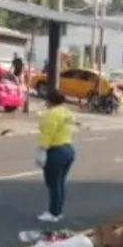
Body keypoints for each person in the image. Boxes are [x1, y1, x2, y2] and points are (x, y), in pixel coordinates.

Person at [37, 89, 76, 222]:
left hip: (56, 150)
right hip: (68, 148)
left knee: (53, 184)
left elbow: (47, 134)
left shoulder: (51, 114)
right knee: (60, 183)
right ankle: (58, 211)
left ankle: (53, 213)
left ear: (50, 101)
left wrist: (41, 150)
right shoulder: (66, 112)